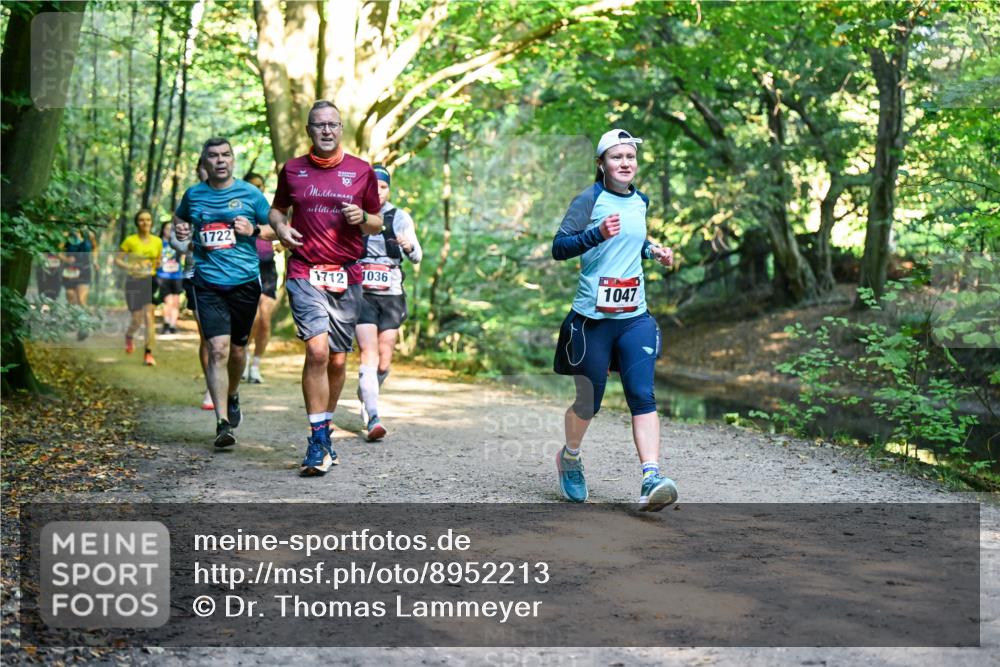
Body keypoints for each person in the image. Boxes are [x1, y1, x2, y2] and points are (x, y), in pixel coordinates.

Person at [551, 129, 678, 511]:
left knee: (643, 395)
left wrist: (653, 251)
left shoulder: (640, 201)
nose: (625, 163)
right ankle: (570, 457)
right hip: (592, 320)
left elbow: (632, 239)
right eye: (617, 157)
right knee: (589, 402)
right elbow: (559, 248)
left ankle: (651, 476)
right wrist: (595, 233)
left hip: (634, 315)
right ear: (601, 164)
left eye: (630, 157)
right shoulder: (588, 200)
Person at [269, 100, 382, 476]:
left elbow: (377, 223)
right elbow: (276, 210)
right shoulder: (293, 169)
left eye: (333, 124)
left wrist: (363, 217)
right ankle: (317, 439)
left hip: (347, 275)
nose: (327, 131)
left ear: (341, 127)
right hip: (305, 270)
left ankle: (325, 427)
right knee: (316, 352)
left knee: (337, 358)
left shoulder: (361, 171)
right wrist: (283, 230)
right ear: (309, 131)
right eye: (319, 125)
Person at [173, 137, 273, 449]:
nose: (220, 160)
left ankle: (232, 395)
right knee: (217, 348)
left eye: (225, 155)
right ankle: (222, 423)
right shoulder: (194, 195)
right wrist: (180, 233)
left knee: (238, 350)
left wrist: (254, 231)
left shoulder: (250, 194)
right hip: (207, 283)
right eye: (213, 156)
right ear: (204, 162)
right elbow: (180, 221)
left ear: (233, 160)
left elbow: (278, 227)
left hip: (244, 282)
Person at [355, 164, 422, 441]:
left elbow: (417, 256)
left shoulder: (400, 216)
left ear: (389, 188)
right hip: (362, 293)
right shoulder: (355, 213)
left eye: (383, 187)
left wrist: (408, 246)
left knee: (384, 361)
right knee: (368, 355)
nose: (378, 192)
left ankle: (367, 390)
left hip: (392, 293)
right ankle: (373, 416)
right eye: (373, 187)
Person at [242, 171, 278, 384]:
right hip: (246, 267)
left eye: (260, 185)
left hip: (267, 268)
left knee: (264, 318)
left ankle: (256, 364)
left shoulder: (270, 211)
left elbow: (283, 230)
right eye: (253, 185)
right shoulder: (238, 209)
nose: (257, 189)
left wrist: (283, 242)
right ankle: (243, 356)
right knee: (252, 318)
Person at [116, 209, 162, 366]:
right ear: (137, 223)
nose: (145, 223)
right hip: (134, 282)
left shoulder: (157, 241)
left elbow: (158, 260)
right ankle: (129, 335)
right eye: (142, 220)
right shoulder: (130, 241)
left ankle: (148, 354)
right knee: (136, 319)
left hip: (150, 281)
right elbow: (117, 260)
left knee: (149, 317)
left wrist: (153, 266)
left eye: (148, 220)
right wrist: (131, 266)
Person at [156, 221, 184, 334]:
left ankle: (173, 325)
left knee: (176, 302)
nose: (169, 231)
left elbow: (185, 256)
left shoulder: (178, 243)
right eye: (167, 228)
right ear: (163, 229)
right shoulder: (158, 243)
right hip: (163, 276)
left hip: (177, 275)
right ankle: (166, 323)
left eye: (172, 228)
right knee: (168, 301)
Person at [61, 227, 98, 307]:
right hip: (70, 270)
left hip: (85, 269)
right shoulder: (66, 235)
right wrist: (66, 259)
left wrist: (95, 261)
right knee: (71, 299)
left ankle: (83, 318)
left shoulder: (90, 235)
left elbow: (95, 247)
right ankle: (73, 317)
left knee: (81, 301)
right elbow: (57, 251)